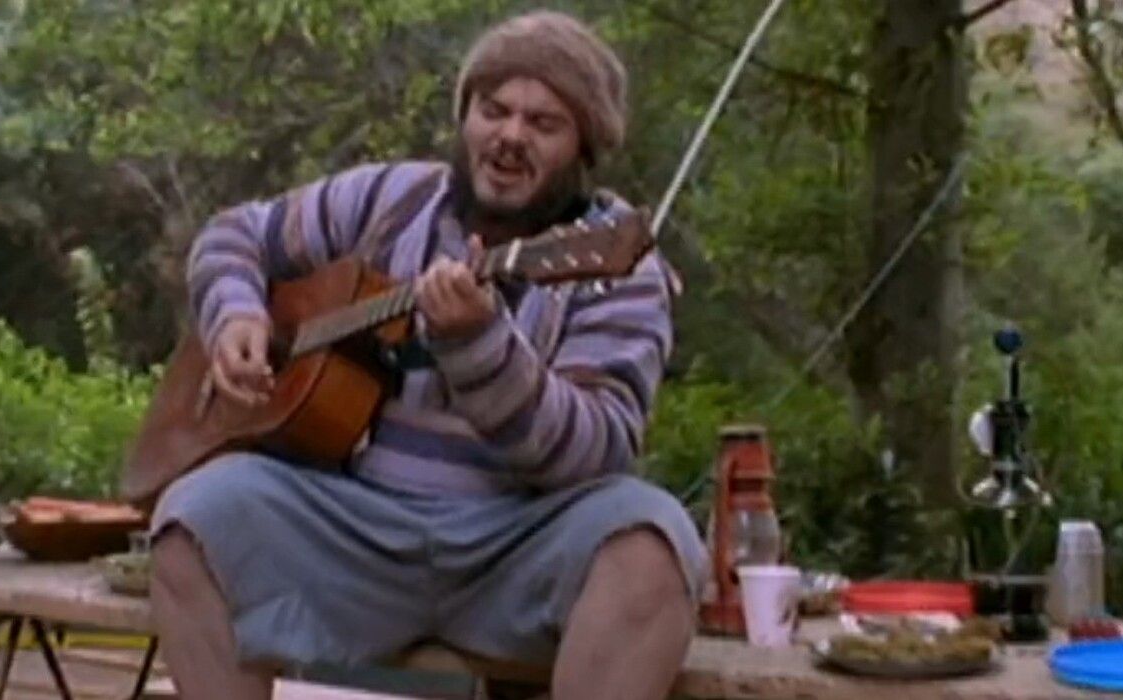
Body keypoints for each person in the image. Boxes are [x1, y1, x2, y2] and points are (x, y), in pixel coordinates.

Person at [149, 10, 709, 700]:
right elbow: (234, 234)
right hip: (356, 531)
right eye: (493, 109)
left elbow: (596, 451)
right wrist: (235, 313)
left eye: (543, 123)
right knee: (196, 515)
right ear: (465, 116)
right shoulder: (393, 198)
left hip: (517, 545)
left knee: (652, 542)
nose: (508, 136)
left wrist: (480, 348)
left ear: (584, 147)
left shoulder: (614, 265)